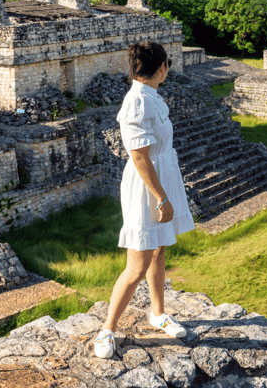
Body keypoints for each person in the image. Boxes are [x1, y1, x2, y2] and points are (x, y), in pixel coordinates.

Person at [94, 40, 196, 359]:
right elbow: (139, 156)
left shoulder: (151, 96)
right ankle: (107, 329)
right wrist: (161, 197)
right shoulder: (137, 101)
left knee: (159, 247)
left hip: (161, 177)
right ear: (162, 67)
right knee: (137, 263)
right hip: (146, 186)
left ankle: (157, 312)